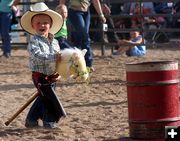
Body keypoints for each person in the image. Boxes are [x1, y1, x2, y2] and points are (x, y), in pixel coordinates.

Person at [20, 2, 66, 128]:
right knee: (49, 98)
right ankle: (49, 121)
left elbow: (59, 59)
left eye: (45, 22)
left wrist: (59, 72)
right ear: (33, 25)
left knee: (43, 97)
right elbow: (38, 55)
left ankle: (31, 119)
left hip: (52, 75)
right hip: (39, 76)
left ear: (50, 25)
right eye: (38, 23)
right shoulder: (34, 41)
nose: (42, 25)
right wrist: (54, 57)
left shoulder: (55, 42)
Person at [59, 0, 106, 72]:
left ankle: (77, 62)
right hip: (74, 11)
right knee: (85, 36)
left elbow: (95, 1)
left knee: (80, 37)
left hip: (86, 11)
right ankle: (87, 64)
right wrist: (61, 9)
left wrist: (101, 14)